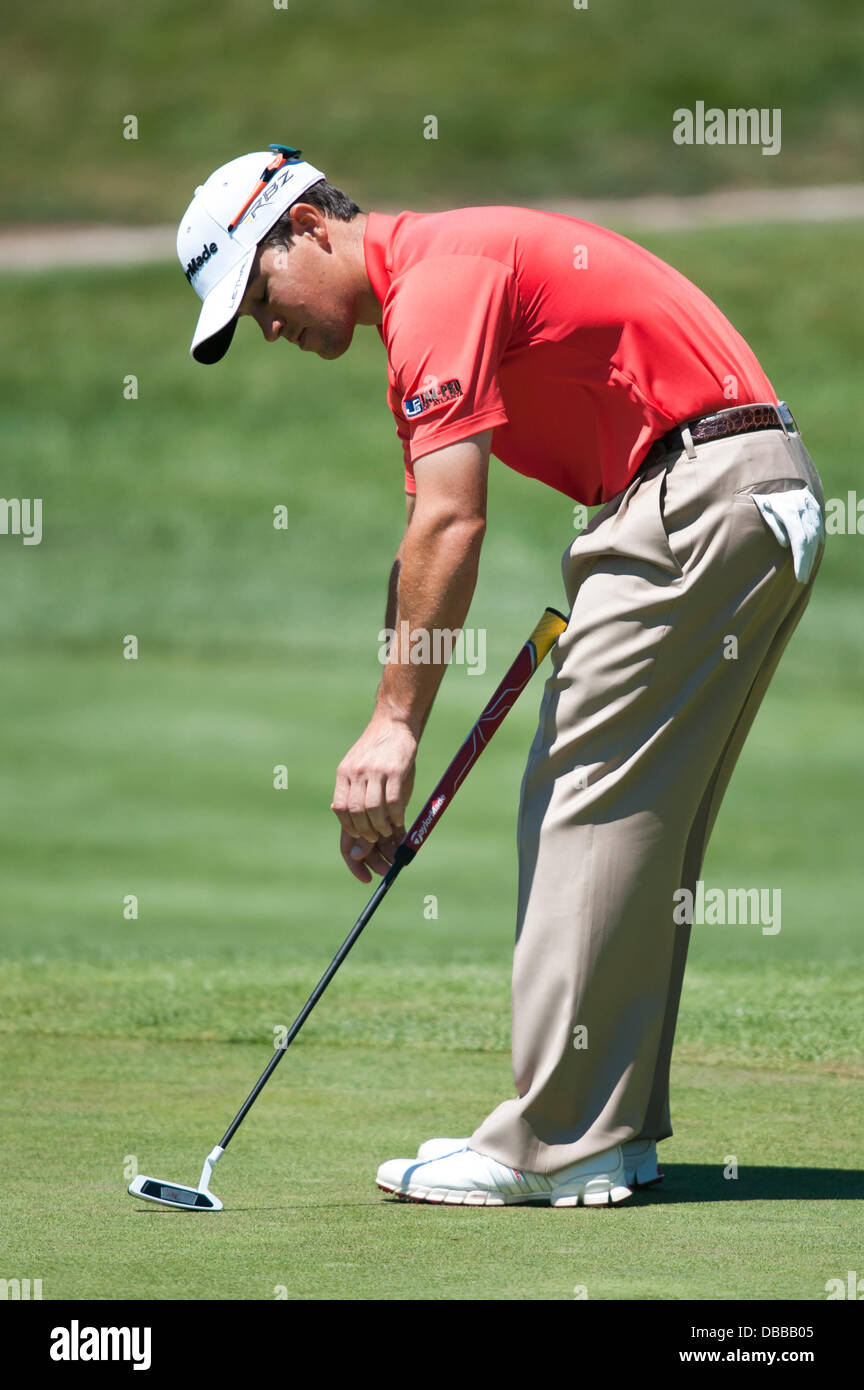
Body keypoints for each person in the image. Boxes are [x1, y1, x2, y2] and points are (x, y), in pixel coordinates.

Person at [178, 145, 826, 1208]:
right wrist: (389, 723)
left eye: (258, 292)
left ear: (304, 226)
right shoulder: (430, 291)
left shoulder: (437, 278)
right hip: (744, 491)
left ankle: (553, 1139)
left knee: (584, 798)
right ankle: (605, 1129)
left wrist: (395, 730)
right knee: (637, 818)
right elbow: (420, 537)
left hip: (699, 491)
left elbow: (452, 519)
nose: (269, 327)